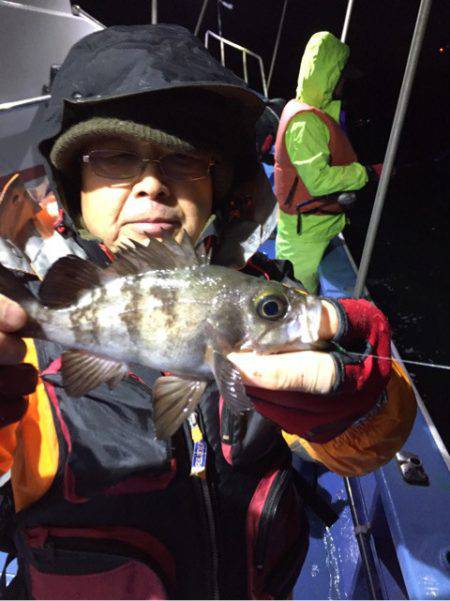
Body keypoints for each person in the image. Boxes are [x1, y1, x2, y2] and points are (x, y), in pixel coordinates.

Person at [0, 24, 416, 600]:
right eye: (114, 158)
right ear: (76, 190)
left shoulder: (269, 302)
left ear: (220, 185)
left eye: (184, 159)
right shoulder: (19, 354)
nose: (151, 184)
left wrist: (359, 399)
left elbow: (364, 451)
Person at [274, 31, 382, 294]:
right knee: (298, 293)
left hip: (320, 223)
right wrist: (364, 173)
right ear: (330, 78)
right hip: (305, 232)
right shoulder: (304, 124)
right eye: (342, 77)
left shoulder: (313, 111)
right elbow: (318, 180)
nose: (345, 83)